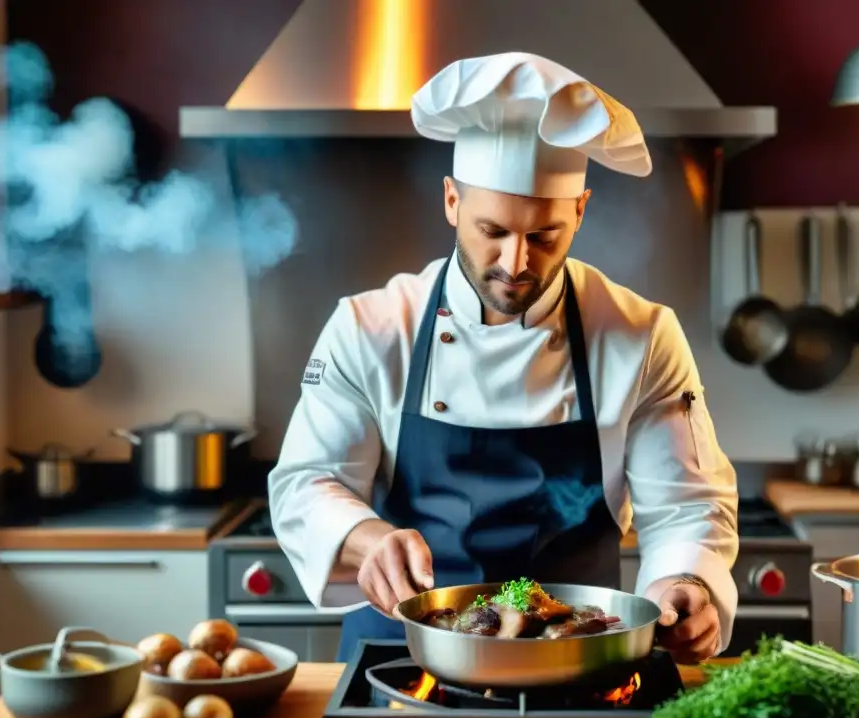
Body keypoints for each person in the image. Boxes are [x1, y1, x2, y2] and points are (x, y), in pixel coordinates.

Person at [269, 52, 738, 665]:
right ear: (451, 202)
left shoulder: (641, 335)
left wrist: (688, 585)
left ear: (579, 211)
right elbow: (309, 481)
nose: (515, 263)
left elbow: (684, 505)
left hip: (577, 654)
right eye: (492, 230)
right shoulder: (371, 327)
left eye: (543, 236)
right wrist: (367, 539)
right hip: (402, 652)